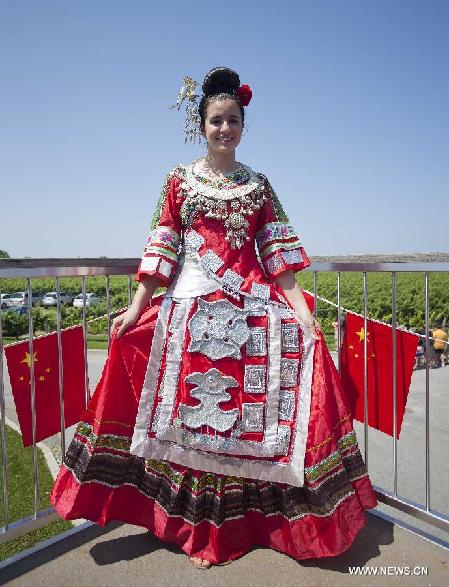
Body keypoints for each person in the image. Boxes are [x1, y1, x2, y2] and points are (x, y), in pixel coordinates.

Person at [50, 67, 377, 569]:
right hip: (192, 303)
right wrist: (138, 305)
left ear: (244, 125)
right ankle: (193, 525)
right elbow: (162, 246)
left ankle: (259, 522)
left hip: (251, 304)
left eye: (234, 121)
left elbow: (279, 262)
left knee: (288, 365)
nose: (225, 129)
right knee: (176, 394)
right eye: (216, 121)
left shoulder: (260, 186)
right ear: (201, 126)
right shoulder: (179, 180)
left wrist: (302, 313)